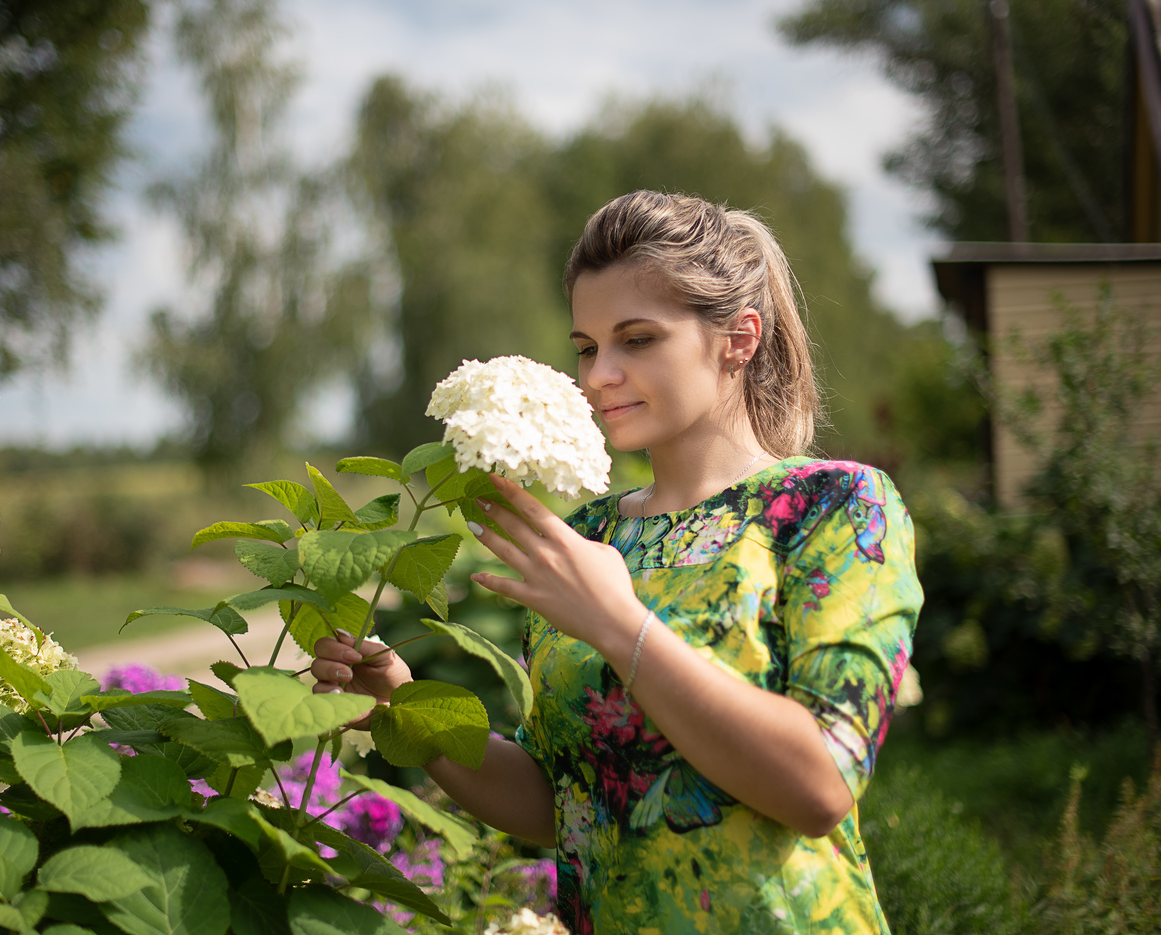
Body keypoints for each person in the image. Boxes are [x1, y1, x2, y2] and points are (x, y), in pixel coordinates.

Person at [311, 190, 922, 934]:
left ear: (739, 338)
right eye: (586, 346)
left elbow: (821, 786)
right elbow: (560, 803)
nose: (598, 374)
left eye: (637, 339)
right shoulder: (590, 537)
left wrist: (618, 623)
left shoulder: (835, 507)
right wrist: (407, 709)